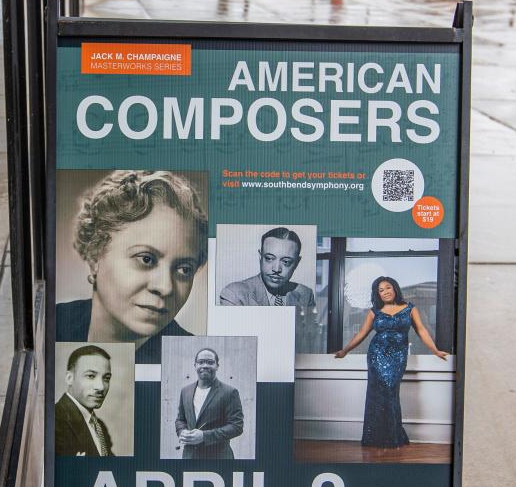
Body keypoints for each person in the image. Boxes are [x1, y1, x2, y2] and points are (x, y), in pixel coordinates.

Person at [57, 171, 207, 365]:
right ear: (95, 254)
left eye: (184, 270)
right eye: (146, 259)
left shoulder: (191, 360)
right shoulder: (55, 322)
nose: (165, 287)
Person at [334, 276, 448, 448]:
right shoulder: (374, 312)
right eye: (381, 290)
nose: (385, 292)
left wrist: (435, 350)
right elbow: (361, 334)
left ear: (394, 288)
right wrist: (345, 350)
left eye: (388, 288)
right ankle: (377, 437)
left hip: (398, 357)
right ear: (377, 294)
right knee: (378, 394)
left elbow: (422, 331)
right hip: (376, 355)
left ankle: (392, 435)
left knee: (390, 392)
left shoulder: (410, 309)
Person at [219, 226, 321, 351]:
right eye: (269, 258)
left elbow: (310, 347)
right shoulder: (234, 294)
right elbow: (234, 348)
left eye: (286, 262)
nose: (276, 269)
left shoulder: (305, 294)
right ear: (260, 256)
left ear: (297, 263)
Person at [174, 347, 243, 460]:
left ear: (217, 366)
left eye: (210, 362)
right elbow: (180, 420)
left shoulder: (230, 392)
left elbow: (236, 426)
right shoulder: (185, 391)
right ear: (195, 365)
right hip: (189, 457)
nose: (205, 365)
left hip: (219, 459)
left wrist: (204, 436)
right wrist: (182, 431)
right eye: (201, 362)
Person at [55, 344, 116, 457]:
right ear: (69, 378)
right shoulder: (55, 421)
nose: (101, 387)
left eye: (106, 378)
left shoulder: (100, 426)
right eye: (91, 376)